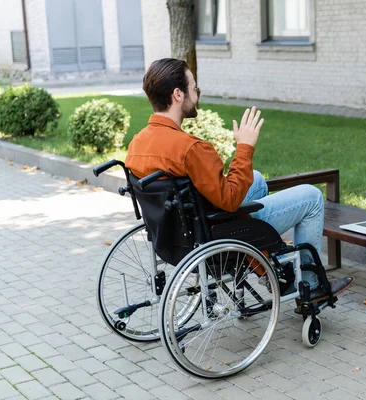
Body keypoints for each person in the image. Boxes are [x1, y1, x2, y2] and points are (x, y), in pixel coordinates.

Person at [125, 58, 352, 297]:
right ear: (178, 95)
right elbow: (230, 200)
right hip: (215, 234)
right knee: (312, 197)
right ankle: (311, 287)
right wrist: (244, 147)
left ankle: (268, 266)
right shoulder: (191, 149)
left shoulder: (137, 143)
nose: (197, 94)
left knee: (256, 179)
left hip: (173, 234)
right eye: (195, 88)